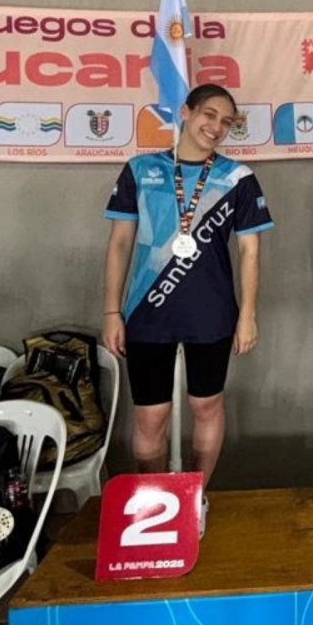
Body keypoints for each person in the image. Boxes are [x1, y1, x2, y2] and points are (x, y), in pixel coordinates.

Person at [102, 84, 274, 534]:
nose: (216, 127)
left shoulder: (238, 178)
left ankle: (194, 498)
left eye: (226, 122)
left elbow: (250, 252)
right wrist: (111, 312)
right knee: (150, 416)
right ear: (186, 112)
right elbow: (119, 243)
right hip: (146, 312)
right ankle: (155, 503)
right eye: (209, 115)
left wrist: (248, 315)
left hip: (211, 313)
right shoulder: (140, 170)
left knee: (207, 405)